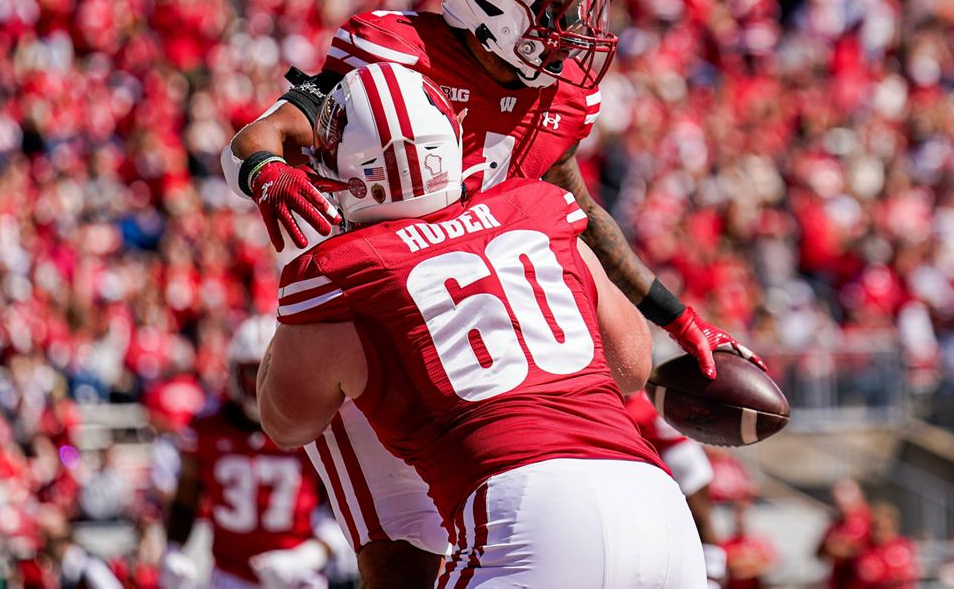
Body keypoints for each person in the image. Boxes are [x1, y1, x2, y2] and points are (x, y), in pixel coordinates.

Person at [222, 0, 763, 585]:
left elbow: (583, 206)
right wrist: (266, 171)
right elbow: (265, 134)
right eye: (557, 11)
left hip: (480, 315)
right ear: (490, 3)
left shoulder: (552, 117)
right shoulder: (395, 60)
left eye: (578, 10)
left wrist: (677, 315)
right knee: (402, 545)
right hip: (384, 311)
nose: (574, 33)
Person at [257, 62, 706, 587]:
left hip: (523, 520)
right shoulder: (537, 208)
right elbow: (631, 366)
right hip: (656, 506)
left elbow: (287, 422)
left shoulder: (343, 272)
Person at [162, 315, 339, 589]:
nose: (261, 387)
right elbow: (186, 499)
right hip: (231, 577)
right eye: (253, 374)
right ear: (233, 373)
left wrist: (306, 558)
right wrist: (173, 548)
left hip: (297, 578)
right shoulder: (208, 428)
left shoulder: (313, 424)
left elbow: (340, 511)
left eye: (271, 373)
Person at [625, 391, 726, 587]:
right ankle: (713, 572)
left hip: (680, 457)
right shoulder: (648, 397)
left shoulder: (636, 408)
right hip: (677, 456)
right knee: (697, 520)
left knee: (700, 519)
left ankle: (714, 575)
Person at [817, 478, 873, 589]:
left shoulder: (868, 519)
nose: (839, 506)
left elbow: (856, 551)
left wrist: (837, 546)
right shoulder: (837, 523)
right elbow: (820, 551)